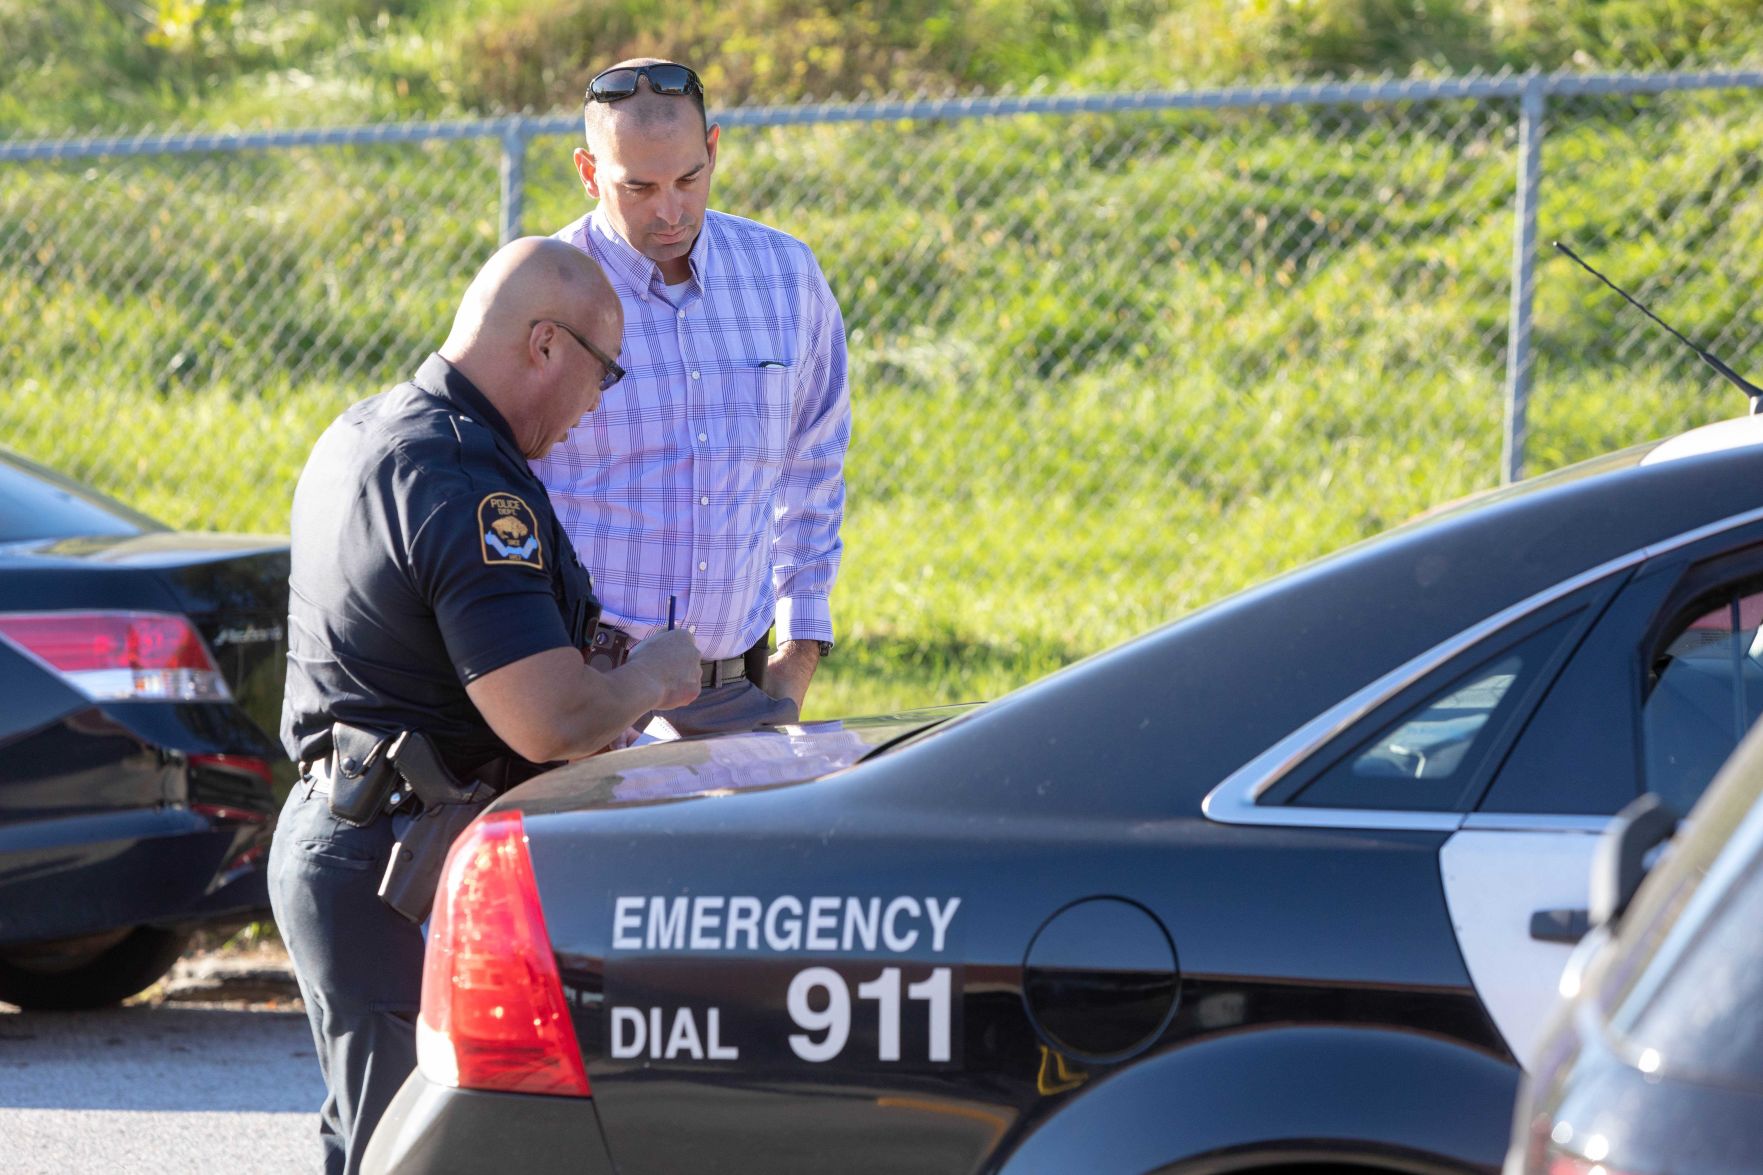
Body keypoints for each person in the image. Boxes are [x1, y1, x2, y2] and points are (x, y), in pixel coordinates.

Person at [269, 236, 702, 1175]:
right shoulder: (468, 482)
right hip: (402, 867)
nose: (597, 403)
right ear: (545, 344)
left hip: (354, 842)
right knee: (425, 1155)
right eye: (604, 371)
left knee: (379, 1143)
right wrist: (657, 677)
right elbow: (545, 720)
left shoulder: (369, 427)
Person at [536, 57, 851, 735]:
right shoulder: (542, 294)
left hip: (743, 696)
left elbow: (813, 465)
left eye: (688, 178)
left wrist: (796, 659)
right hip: (585, 700)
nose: (670, 211)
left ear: (712, 149)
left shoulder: (785, 275)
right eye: (638, 188)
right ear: (589, 173)